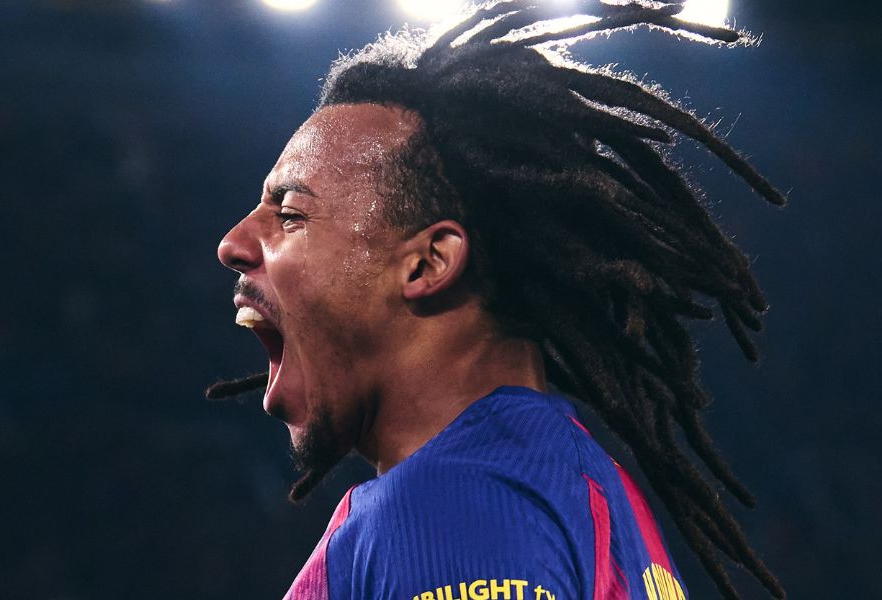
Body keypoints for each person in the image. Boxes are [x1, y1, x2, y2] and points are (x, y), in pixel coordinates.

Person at [207, 2, 785, 599]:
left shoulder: (455, 503)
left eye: (291, 214)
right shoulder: (583, 489)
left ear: (429, 263)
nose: (233, 243)